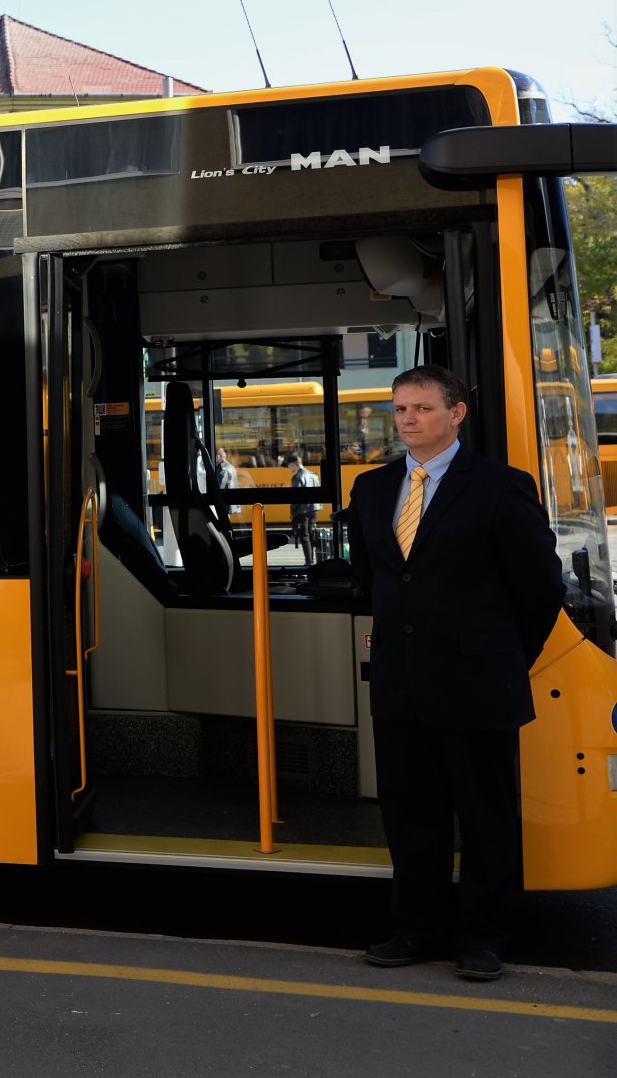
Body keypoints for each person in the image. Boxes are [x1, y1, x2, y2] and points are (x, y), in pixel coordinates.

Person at [347, 365, 563, 982]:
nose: (408, 420)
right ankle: (417, 931)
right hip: (400, 686)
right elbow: (374, 578)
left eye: (421, 408)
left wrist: (499, 655)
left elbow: (540, 587)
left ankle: (484, 941)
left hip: (478, 684)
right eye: (399, 410)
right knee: (410, 816)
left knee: (486, 818)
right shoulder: (372, 488)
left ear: (457, 413)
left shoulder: (500, 487)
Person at [284, 448, 320, 565]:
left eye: (289, 466)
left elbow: (296, 497)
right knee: (311, 534)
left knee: (304, 536)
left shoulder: (297, 478)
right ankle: (314, 559)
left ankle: (309, 561)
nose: (288, 468)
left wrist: (293, 512)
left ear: (294, 464)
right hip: (313, 510)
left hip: (301, 511)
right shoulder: (313, 475)